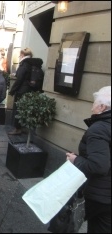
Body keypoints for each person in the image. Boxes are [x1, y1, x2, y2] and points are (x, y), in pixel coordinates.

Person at [66, 86, 111, 233]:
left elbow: (98, 166)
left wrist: (76, 160)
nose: (92, 108)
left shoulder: (99, 129)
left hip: (100, 195)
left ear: (102, 106)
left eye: (94, 103)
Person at [8, 47, 42, 135]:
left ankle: (17, 129)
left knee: (18, 109)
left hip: (22, 90)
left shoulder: (24, 64)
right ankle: (24, 127)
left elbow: (19, 78)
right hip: (30, 90)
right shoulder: (34, 63)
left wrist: (12, 90)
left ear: (22, 54)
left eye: (20, 55)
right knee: (25, 109)